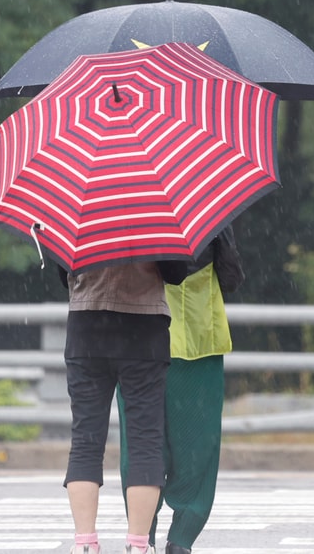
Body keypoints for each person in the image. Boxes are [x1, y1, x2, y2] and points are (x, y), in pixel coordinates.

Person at [118, 225, 245, 554]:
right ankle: (182, 537)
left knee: (141, 441)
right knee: (197, 444)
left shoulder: (119, 207)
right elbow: (231, 276)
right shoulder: (203, 208)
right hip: (195, 337)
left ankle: (140, 534)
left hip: (134, 338)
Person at [63, 256, 189, 554]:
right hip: (143, 330)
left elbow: (63, 266)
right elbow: (175, 273)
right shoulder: (156, 212)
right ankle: (137, 545)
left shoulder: (83, 210)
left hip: (87, 327)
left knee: (85, 441)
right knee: (145, 442)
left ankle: (85, 543)